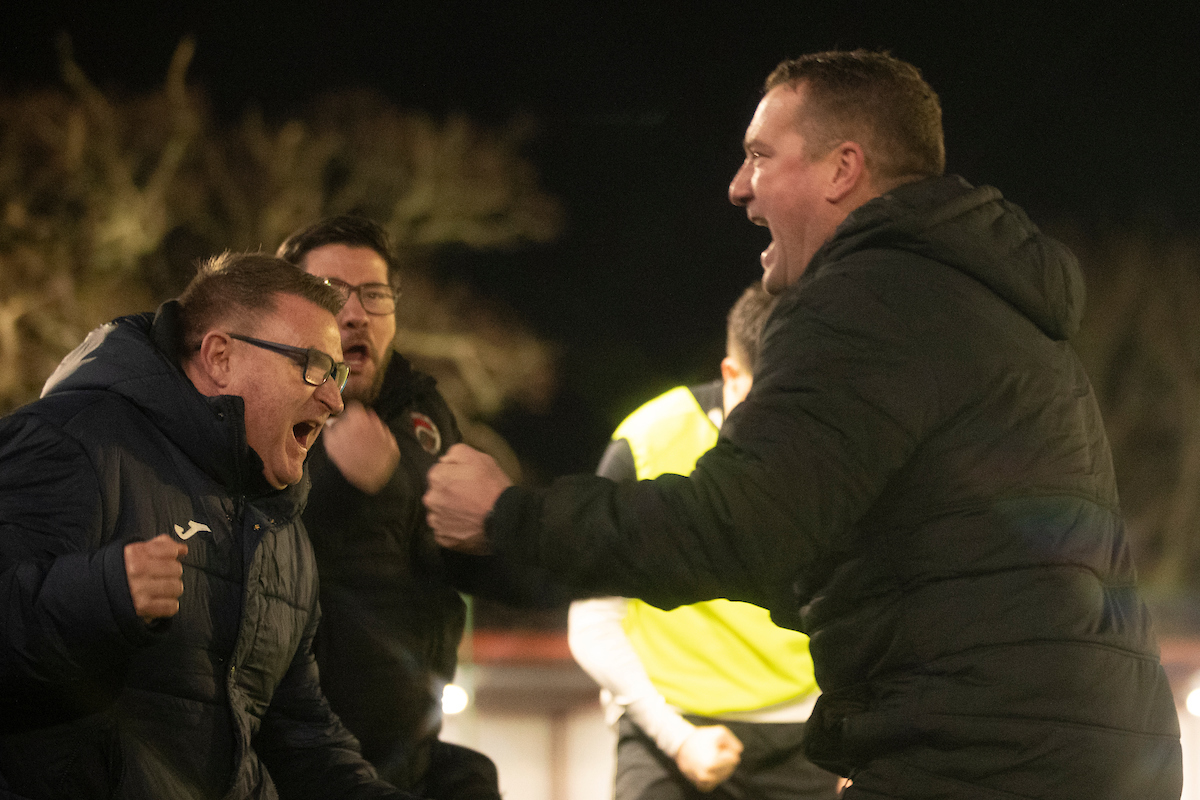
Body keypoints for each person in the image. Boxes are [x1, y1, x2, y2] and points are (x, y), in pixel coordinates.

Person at [424, 49, 1184, 799]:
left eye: (760, 156)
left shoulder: (866, 301)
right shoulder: (990, 310)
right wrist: (507, 559)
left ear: (841, 168)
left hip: (984, 757)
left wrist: (506, 514)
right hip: (1097, 748)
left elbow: (738, 528)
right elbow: (821, 564)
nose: (737, 188)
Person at [0, 253, 420, 800]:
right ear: (220, 357)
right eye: (314, 366)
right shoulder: (73, 444)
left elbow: (298, 737)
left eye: (337, 373)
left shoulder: (282, 526)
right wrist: (101, 591)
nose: (334, 398)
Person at [569, 282, 841, 800]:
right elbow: (591, 620)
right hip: (669, 728)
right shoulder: (647, 442)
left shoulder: (842, 445)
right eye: (770, 402)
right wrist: (677, 739)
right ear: (730, 376)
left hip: (807, 737)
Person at [277, 216, 501, 800]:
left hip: (411, 753)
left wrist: (509, 525)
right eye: (328, 294)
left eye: (373, 295)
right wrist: (340, 486)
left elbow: (455, 556)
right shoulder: (255, 410)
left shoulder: (422, 413)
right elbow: (241, 559)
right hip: (299, 767)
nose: (354, 314)